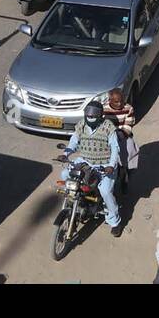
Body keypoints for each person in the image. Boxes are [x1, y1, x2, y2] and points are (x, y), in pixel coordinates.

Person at [61, 100, 123, 236]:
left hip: (104, 165)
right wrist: (65, 154)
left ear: (100, 116)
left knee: (105, 191)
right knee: (65, 174)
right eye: (88, 114)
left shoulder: (108, 127)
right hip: (85, 161)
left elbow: (114, 148)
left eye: (93, 115)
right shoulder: (81, 125)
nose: (90, 117)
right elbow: (73, 141)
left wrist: (111, 166)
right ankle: (74, 203)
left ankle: (114, 221)